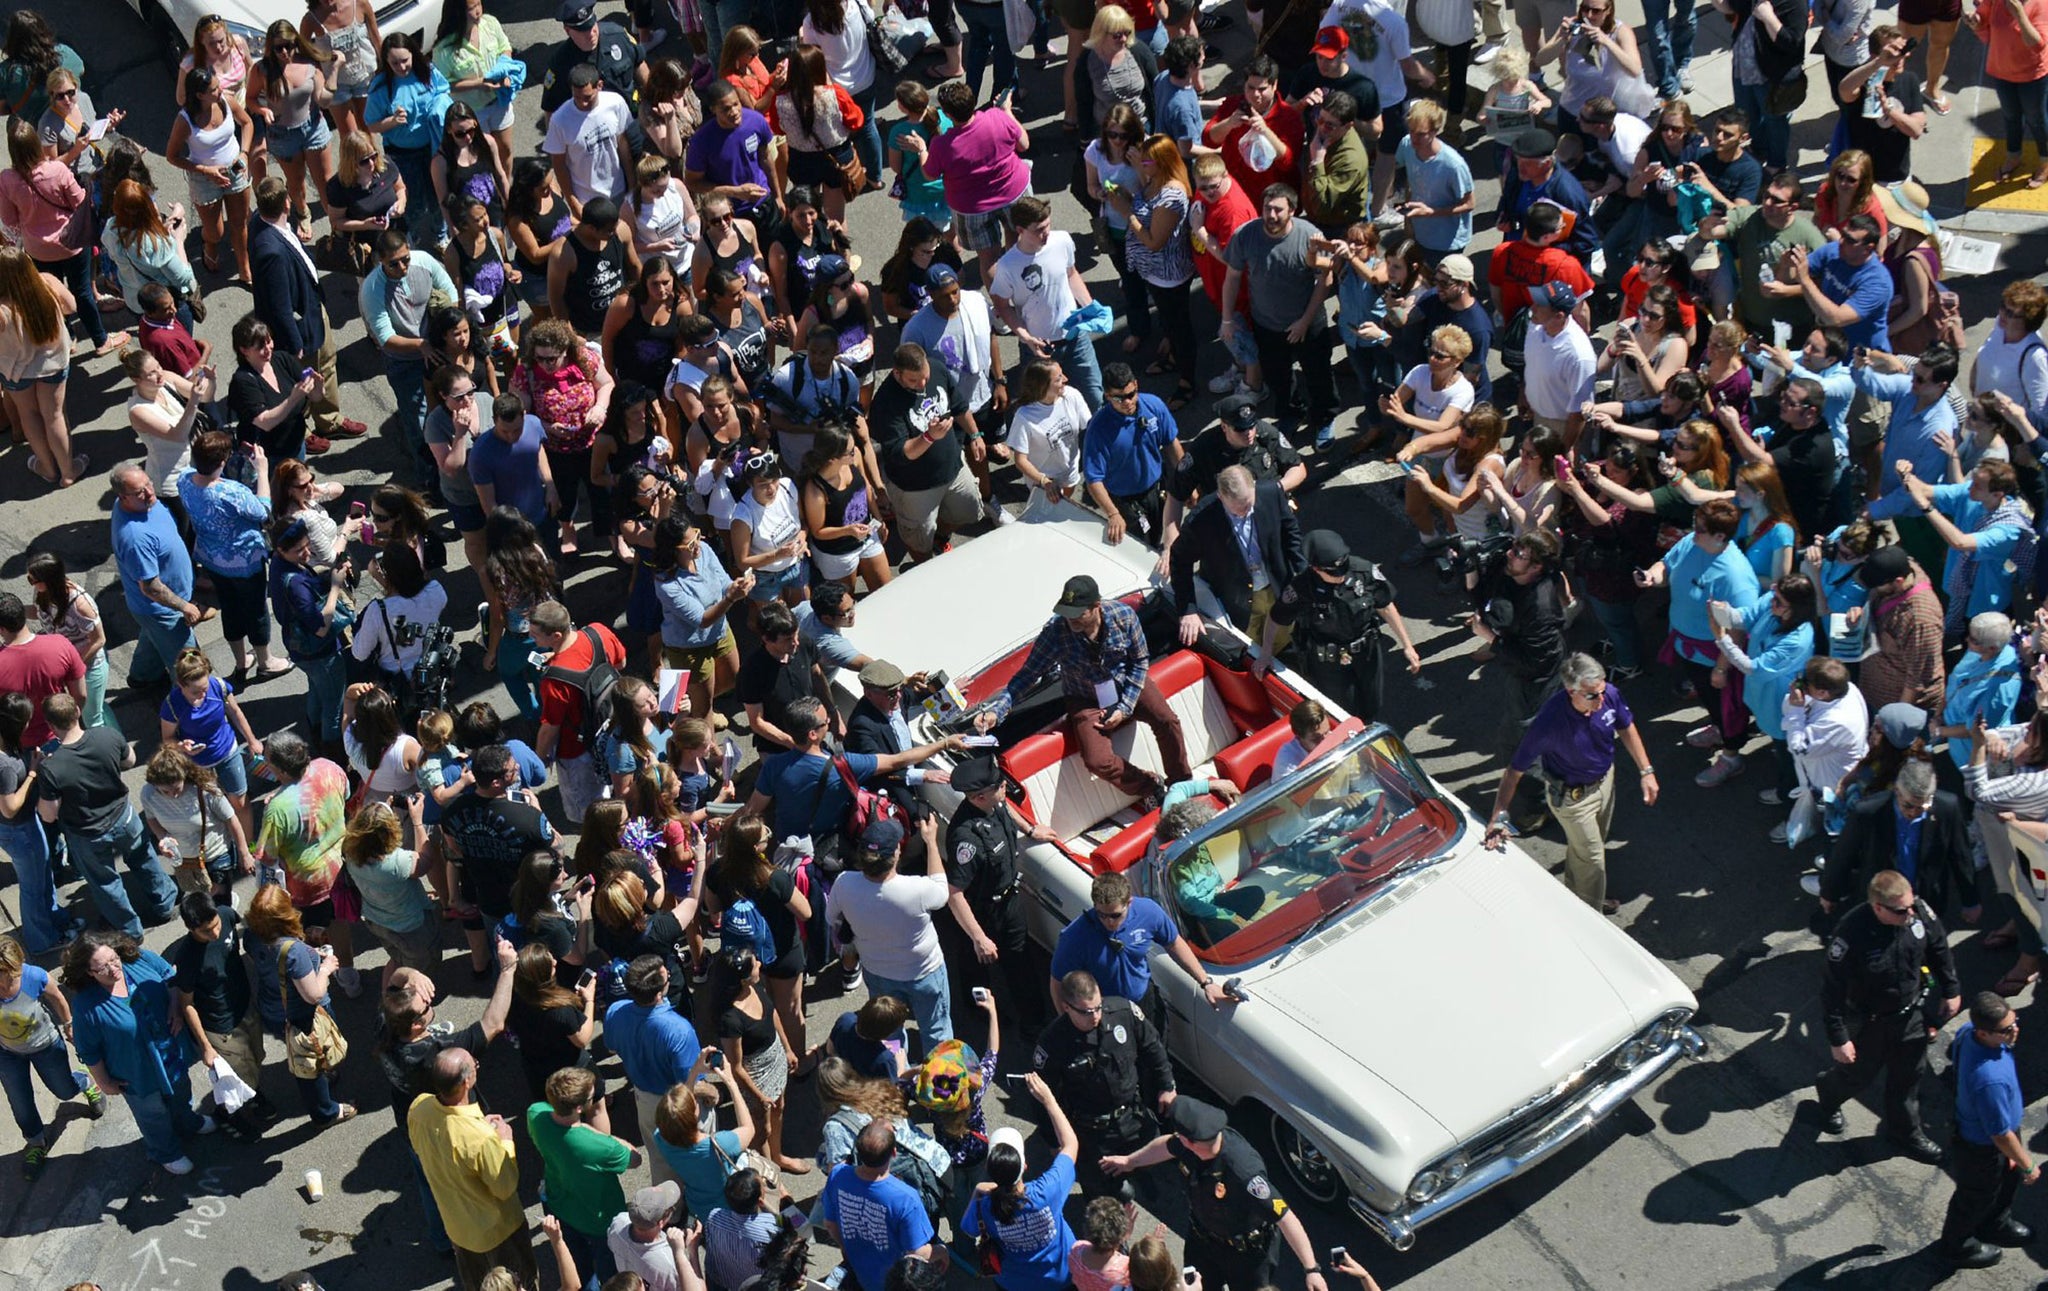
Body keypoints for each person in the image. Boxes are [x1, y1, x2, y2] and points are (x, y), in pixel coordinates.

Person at [974, 574, 1190, 804]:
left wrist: (1125, 707)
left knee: (1168, 721)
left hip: (1127, 683)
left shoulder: (1123, 616)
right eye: (1066, 613)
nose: (1070, 620)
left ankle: (1182, 783)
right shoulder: (1056, 632)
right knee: (1097, 761)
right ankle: (1150, 787)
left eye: (1077, 614)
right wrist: (997, 711)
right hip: (1085, 698)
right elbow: (1028, 675)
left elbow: (1139, 661)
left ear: (1096, 606)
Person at [1480, 654, 1658, 914]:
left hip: (1604, 781)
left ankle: (1578, 895)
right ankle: (1588, 914)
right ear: (1570, 690)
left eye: (1601, 690)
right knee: (1594, 859)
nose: (1601, 700)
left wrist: (1647, 770)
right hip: (1574, 801)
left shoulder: (1609, 694)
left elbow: (1626, 727)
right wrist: (1499, 814)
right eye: (1592, 695)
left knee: (1586, 850)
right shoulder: (1549, 723)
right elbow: (1514, 771)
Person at [1805, 869, 1958, 1166]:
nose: (1910, 913)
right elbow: (1831, 991)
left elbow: (1938, 947)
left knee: (1907, 1079)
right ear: (1878, 907)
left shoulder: (1917, 913)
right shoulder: (1851, 935)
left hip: (1909, 1015)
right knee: (1856, 1077)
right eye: (1901, 910)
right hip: (1868, 1022)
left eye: (1911, 905)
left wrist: (1951, 988)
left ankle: (1905, 1133)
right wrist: (1839, 1039)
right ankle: (1828, 1093)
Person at [1101, 1096, 1332, 1291]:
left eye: (1180, 1137)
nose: (1177, 1138)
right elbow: (1165, 1146)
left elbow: (1285, 1217)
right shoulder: (1192, 1142)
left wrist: (1312, 1269)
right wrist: (1131, 1162)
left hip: (1247, 1257)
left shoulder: (1244, 1174)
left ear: (1190, 1142)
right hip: (1204, 1241)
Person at [63, 932, 214, 1175]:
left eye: (113, 960)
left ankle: (188, 1122)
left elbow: (172, 979)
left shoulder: (139, 960)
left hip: (169, 1053)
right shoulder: (85, 1005)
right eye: (102, 968)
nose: (113, 969)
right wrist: (104, 1082)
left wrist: (175, 1008)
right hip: (135, 1070)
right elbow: (88, 1049)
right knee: (152, 1113)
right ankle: (166, 1152)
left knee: (181, 1090)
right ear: (89, 972)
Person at [943, 754, 1056, 1069]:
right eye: (998, 785)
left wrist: (1032, 830)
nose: (1005, 786)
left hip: (1009, 902)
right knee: (976, 968)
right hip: (980, 914)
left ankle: (1033, 1023)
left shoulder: (995, 803)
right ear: (979, 796)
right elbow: (954, 893)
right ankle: (980, 1013)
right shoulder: (966, 839)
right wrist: (978, 937)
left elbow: (1009, 814)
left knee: (1020, 962)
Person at [39, 695, 177, 939]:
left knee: (106, 884)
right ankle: (165, 904)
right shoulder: (107, 736)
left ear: (51, 726)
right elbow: (130, 760)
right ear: (77, 712)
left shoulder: (52, 767)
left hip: (89, 835)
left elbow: (48, 815)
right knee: (144, 859)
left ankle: (129, 931)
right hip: (125, 818)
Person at [248, 178, 365, 450]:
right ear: (287, 203)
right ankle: (300, 430)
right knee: (302, 379)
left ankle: (329, 420)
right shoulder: (272, 252)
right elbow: (280, 306)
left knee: (326, 364)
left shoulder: (261, 221)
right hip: (299, 326)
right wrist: (296, 343)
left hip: (311, 308)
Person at [826, 817, 955, 1057]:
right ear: (895, 853)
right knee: (936, 1029)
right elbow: (941, 891)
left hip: (878, 972)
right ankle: (939, 1086)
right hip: (924, 972)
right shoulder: (916, 889)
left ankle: (896, 1072)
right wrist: (931, 842)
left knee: (889, 1031)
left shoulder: (844, 884)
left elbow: (831, 918)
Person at [409, 1047, 537, 1290]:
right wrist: (505, 1142)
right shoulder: (480, 1139)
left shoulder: (419, 1108)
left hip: (458, 1229)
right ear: (467, 1081)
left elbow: (423, 1146)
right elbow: (505, 1186)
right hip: (499, 1231)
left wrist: (481, 1129)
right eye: (474, 1064)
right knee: (519, 1282)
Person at [1260, 530, 1420, 722]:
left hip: (1367, 653)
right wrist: (1265, 652)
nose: (1341, 575)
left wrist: (1407, 645)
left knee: (1372, 704)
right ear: (1315, 568)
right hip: (1329, 664)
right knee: (1343, 711)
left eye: (1343, 567)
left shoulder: (1363, 570)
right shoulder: (1303, 587)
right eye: (1333, 573)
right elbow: (1276, 617)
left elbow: (1385, 605)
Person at [1219, 185, 1336, 445]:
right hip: (1267, 324)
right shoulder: (1246, 235)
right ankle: (1290, 414)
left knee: (1318, 374)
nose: (1271, 215)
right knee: (1278, 377)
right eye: (1266, 208)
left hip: (1307, 322)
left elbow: (1325, 281)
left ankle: (1325, 418)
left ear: (1292, 211)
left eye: (1278, 209)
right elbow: (1232, 278)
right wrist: (1227, 319)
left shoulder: (1313, 237)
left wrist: (1304, 321)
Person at [1938, 992, 2037, 1268]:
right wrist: (2027, 1164)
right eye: (2006, 1030)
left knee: (2006, 1183)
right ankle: (1956, 1246)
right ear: (1984, 1032)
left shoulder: (1969, 1032)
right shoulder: (1988, 1079)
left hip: (1999, 1136)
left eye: (2014, 1022)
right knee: (1975, 1197)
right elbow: (2000, 1134)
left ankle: (1995, 1223)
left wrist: (2008, 1039)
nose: (2014, 1030)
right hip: (1982, 1147)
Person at [1819, 758, 1978, 924]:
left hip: (1927, 898)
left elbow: (1960, 855)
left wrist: (1971, 901)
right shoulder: (1868, 812)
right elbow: (1844, 854)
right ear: (1897, 791)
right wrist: (1830, 893)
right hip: (1883, 901)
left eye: (1923, 806)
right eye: (1908, 805)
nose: (1914, 812)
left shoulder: (1947, 808)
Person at [867, 343, 986, 563]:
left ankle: (940, 539)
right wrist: (929, 437)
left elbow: (959, 406)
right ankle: (926, 566)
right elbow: (900, 454)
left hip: (953, 468)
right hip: (914, 487)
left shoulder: (937, 369)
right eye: (913, 381)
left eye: (925, 378)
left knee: (968, 509)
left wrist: (975, 434)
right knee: (918, 538)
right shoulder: (885, 403)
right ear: (897, 373)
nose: (922, 385)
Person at [361, 229, 461, 490]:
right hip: (403, 361)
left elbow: (450, 293)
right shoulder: (372, 289)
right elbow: (386, 338)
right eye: (394, 263)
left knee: (448, 406)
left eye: (405, 258)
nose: (403, 266)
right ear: (380, 261)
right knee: (417, 418)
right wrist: (421, 345)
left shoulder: (424, 262)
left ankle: (454, 460)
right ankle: (427, 470)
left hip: (436, 351)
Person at [0, 932, 103, 1178]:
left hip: (45, 1045)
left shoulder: (33, 976)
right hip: (7, 1053)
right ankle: (36, 1143)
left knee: (65, 1091)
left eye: (9, 976)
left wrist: (69, 1024)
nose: (4, 984)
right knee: (20, 1102)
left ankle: (85, 1081)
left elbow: (57, 997)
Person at [959, 1082, 1080, 1291]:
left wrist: (977, 1192)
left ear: (990, 1168)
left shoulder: (986, 1204)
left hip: (1013, 1283)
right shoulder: (1047, 1190)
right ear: (1024, 1165)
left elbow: (968, 1229)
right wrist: (1049, 1100)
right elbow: (1070, 1144)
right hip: (1061, 1278)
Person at [604, 955, 709, 1189]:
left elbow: (611, 1045)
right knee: (697, 1157)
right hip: (677, 1103)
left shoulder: (615, 1011)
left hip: (644, 1099)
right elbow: (691, 1083)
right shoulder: (679, 1030)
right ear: (660, 993)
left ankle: (669, 1211)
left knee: (660, 1160)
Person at [1169, 467, 1304, 648]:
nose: (1244, 512)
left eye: (1248, 505)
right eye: (1237, 509)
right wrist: (1188, 610)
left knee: (1280, 639)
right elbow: (1179, 560)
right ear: (1220, 496)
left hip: (1276, 587)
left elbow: (1291, 531)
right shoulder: (1201, 521)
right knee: (1247, 649)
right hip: (1236, 602)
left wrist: (1303, 573)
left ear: (1254, 487)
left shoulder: (1271, 492)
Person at [991, 196, 1104, 412]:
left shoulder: (1062, 241)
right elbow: (1002, 305)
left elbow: (1071, 274)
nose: (1046, 233)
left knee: (1094, 398)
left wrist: (1090, 306)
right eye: (1039, 229)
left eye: (1048, 225)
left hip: (1075, 338)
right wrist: (1024, 336)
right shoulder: (1007, 265)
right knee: (1041, 407)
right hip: (1038, 348)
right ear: (1020, 230)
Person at [527, 1065, 635, 1286]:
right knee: (611, 1276)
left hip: (559, 1205)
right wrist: (592, 1132)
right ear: (578, 1108)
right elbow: (634, 1158)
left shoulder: (535, 1115)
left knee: (580, 1271)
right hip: (599, 1220)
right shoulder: (597, 1146)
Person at [816, 1120, 947, 1291]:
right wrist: (942, 1252)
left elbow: (830, 1224)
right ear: (894, 1152)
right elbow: (916, 1252)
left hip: (861, 1272)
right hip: (896, 1282)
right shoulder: (906, 1198)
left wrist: (846, 1249)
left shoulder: (837, 1175)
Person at [111, 464, 209, 692]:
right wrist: (184, 606)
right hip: (163, 611)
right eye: (139, 492)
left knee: (153, 636)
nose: (149, 492)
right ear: (122, 497)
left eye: (148, 483)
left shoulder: (141, 504)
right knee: (189, 667)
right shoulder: (135, 537)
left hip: (154, 614)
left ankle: (142, 676)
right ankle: (189, 710)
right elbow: (151, 587)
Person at [530, 600, 628, 825]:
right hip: (613, 725)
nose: (532, 638)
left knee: (585, 809)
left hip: (577, 749)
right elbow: (621, 662)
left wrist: (539, 758)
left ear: (555, 636)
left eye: (535, 635)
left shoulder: (554, 681)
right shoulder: (599, 632)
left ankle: (598, 831)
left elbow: (550, 728)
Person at [1083, 363, 1182, 546]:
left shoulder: (1153, 405)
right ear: (1107, 396)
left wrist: (1186, 481)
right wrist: (1113, 514)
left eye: (1130, 395)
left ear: (1136, 385)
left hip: (1157, 488)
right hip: (1126, 501)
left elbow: (1171, 443)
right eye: (1119, 398)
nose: (1127, 402)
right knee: (1139, 544)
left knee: (1160, 531)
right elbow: (1093, 479)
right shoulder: (1099, 429)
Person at [1854, 545, 1946, 715]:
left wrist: (1895, 719)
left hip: (1897, 705)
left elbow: (1917, 678)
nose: (1874, 590)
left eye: (1878, 586)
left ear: (1898, 581)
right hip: (1874, 690)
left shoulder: (1920, 619)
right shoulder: (1906, 568)